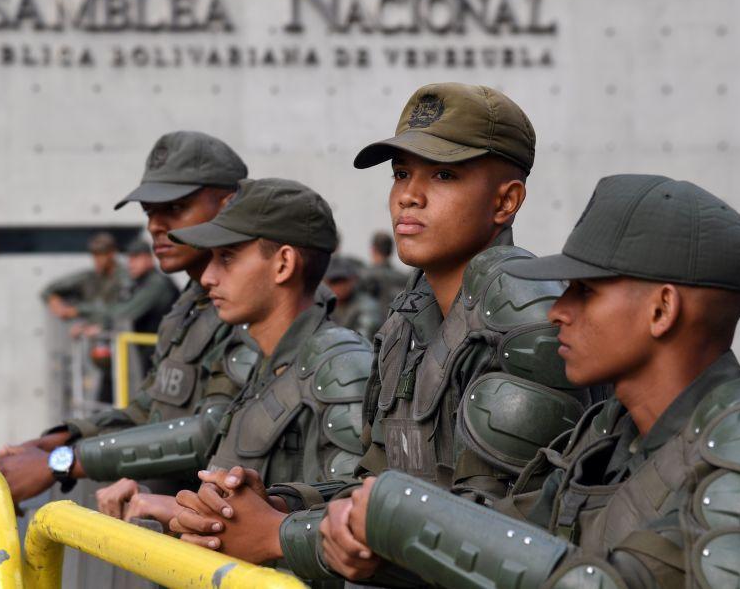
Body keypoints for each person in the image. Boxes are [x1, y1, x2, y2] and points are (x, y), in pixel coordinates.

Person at [335, 174, 740, 587]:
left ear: (662, 310)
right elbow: (512, 538)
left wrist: (400, 514)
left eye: (585, 292)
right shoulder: (609, 433)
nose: (558, 311)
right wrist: (357, 536)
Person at [168, 83, 599, 580]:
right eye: (400, 174)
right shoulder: (409, 318)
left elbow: (503, 528)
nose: (409, 196)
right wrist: (279, 503)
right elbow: (379, 484)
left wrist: (276, 535)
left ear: (506, 201)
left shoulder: (526, 318)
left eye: (443, 174)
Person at [94, 178, 373, 532]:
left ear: (284, 264)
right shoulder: (263, 363)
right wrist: (176, 506)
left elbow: (351, 526)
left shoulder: (339, 367)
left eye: (227, 257)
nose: (208, 276)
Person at [0, 130, 249, 503]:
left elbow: (210, 433)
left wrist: (62, 462)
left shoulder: (254, 303)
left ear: (228, 205)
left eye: (175, 209)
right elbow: (149, 409)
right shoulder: (190, 304)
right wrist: (57, 439)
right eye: (149, 213)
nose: (154, 226)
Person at [41, 231, 129, 322]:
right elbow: (49, 290)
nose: (97, 260)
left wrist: (78, 310)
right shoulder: (91, 277)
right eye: (95, 255)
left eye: (101, 255)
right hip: (92, 332)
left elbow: (117, 307)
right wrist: (56, 303)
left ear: (112, 253)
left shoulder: (124, 277)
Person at [324, 255, 384, 340]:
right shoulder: (325, 305)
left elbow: (364, 337)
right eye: (334, 281)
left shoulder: (367, 306)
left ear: (353, 279)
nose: (338, 287)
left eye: (342, 280)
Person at [362, 230, 409, 316]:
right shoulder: (404, 277)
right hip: (396, 324)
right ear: (391, 251)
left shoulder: (363, 276)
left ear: (373, 249)